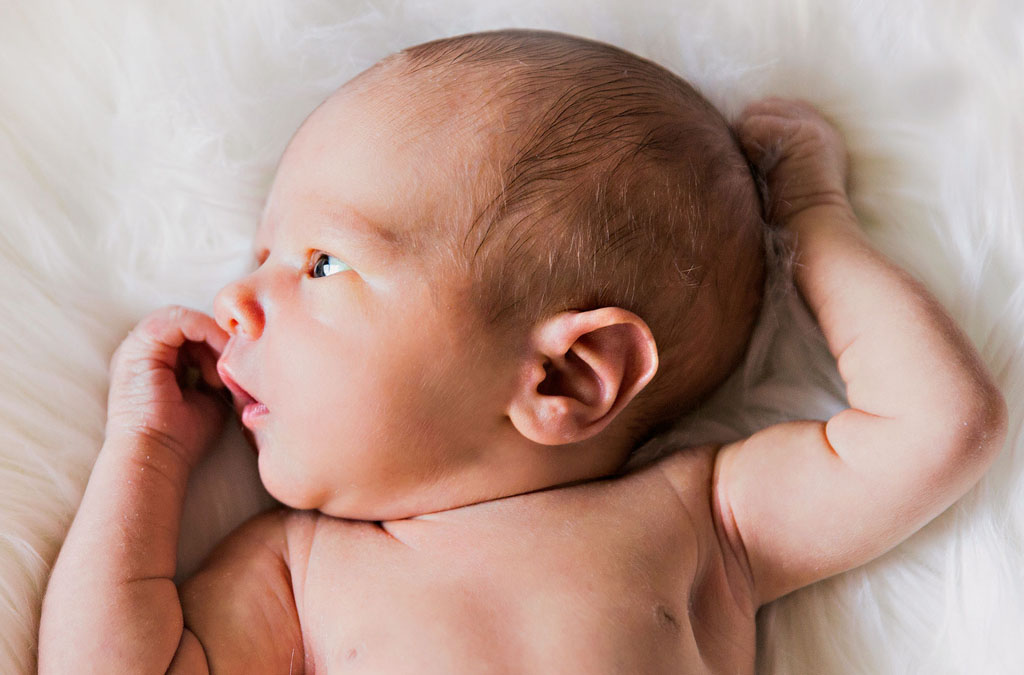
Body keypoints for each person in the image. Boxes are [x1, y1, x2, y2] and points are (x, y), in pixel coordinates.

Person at [38, 29, 1006, 673]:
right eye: (263, 256)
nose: (233, 299)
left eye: (322, 262)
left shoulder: (705, 522)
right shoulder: (296, 571)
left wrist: (811, 219)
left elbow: (938, 426)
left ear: (563, 376)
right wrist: (145, 454)